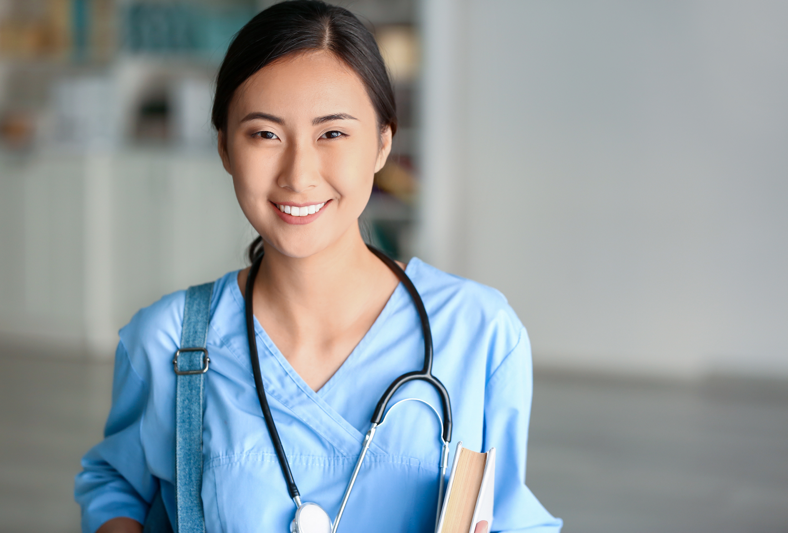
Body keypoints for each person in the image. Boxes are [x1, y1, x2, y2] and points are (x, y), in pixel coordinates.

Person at [74, 2, 563, 532]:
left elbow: (512, 515)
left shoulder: (478, 333)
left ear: (382, 143)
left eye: (332, 134)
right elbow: (117, 485)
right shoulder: (165, 342)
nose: (299, 174)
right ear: (223, 147)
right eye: (265, 134)